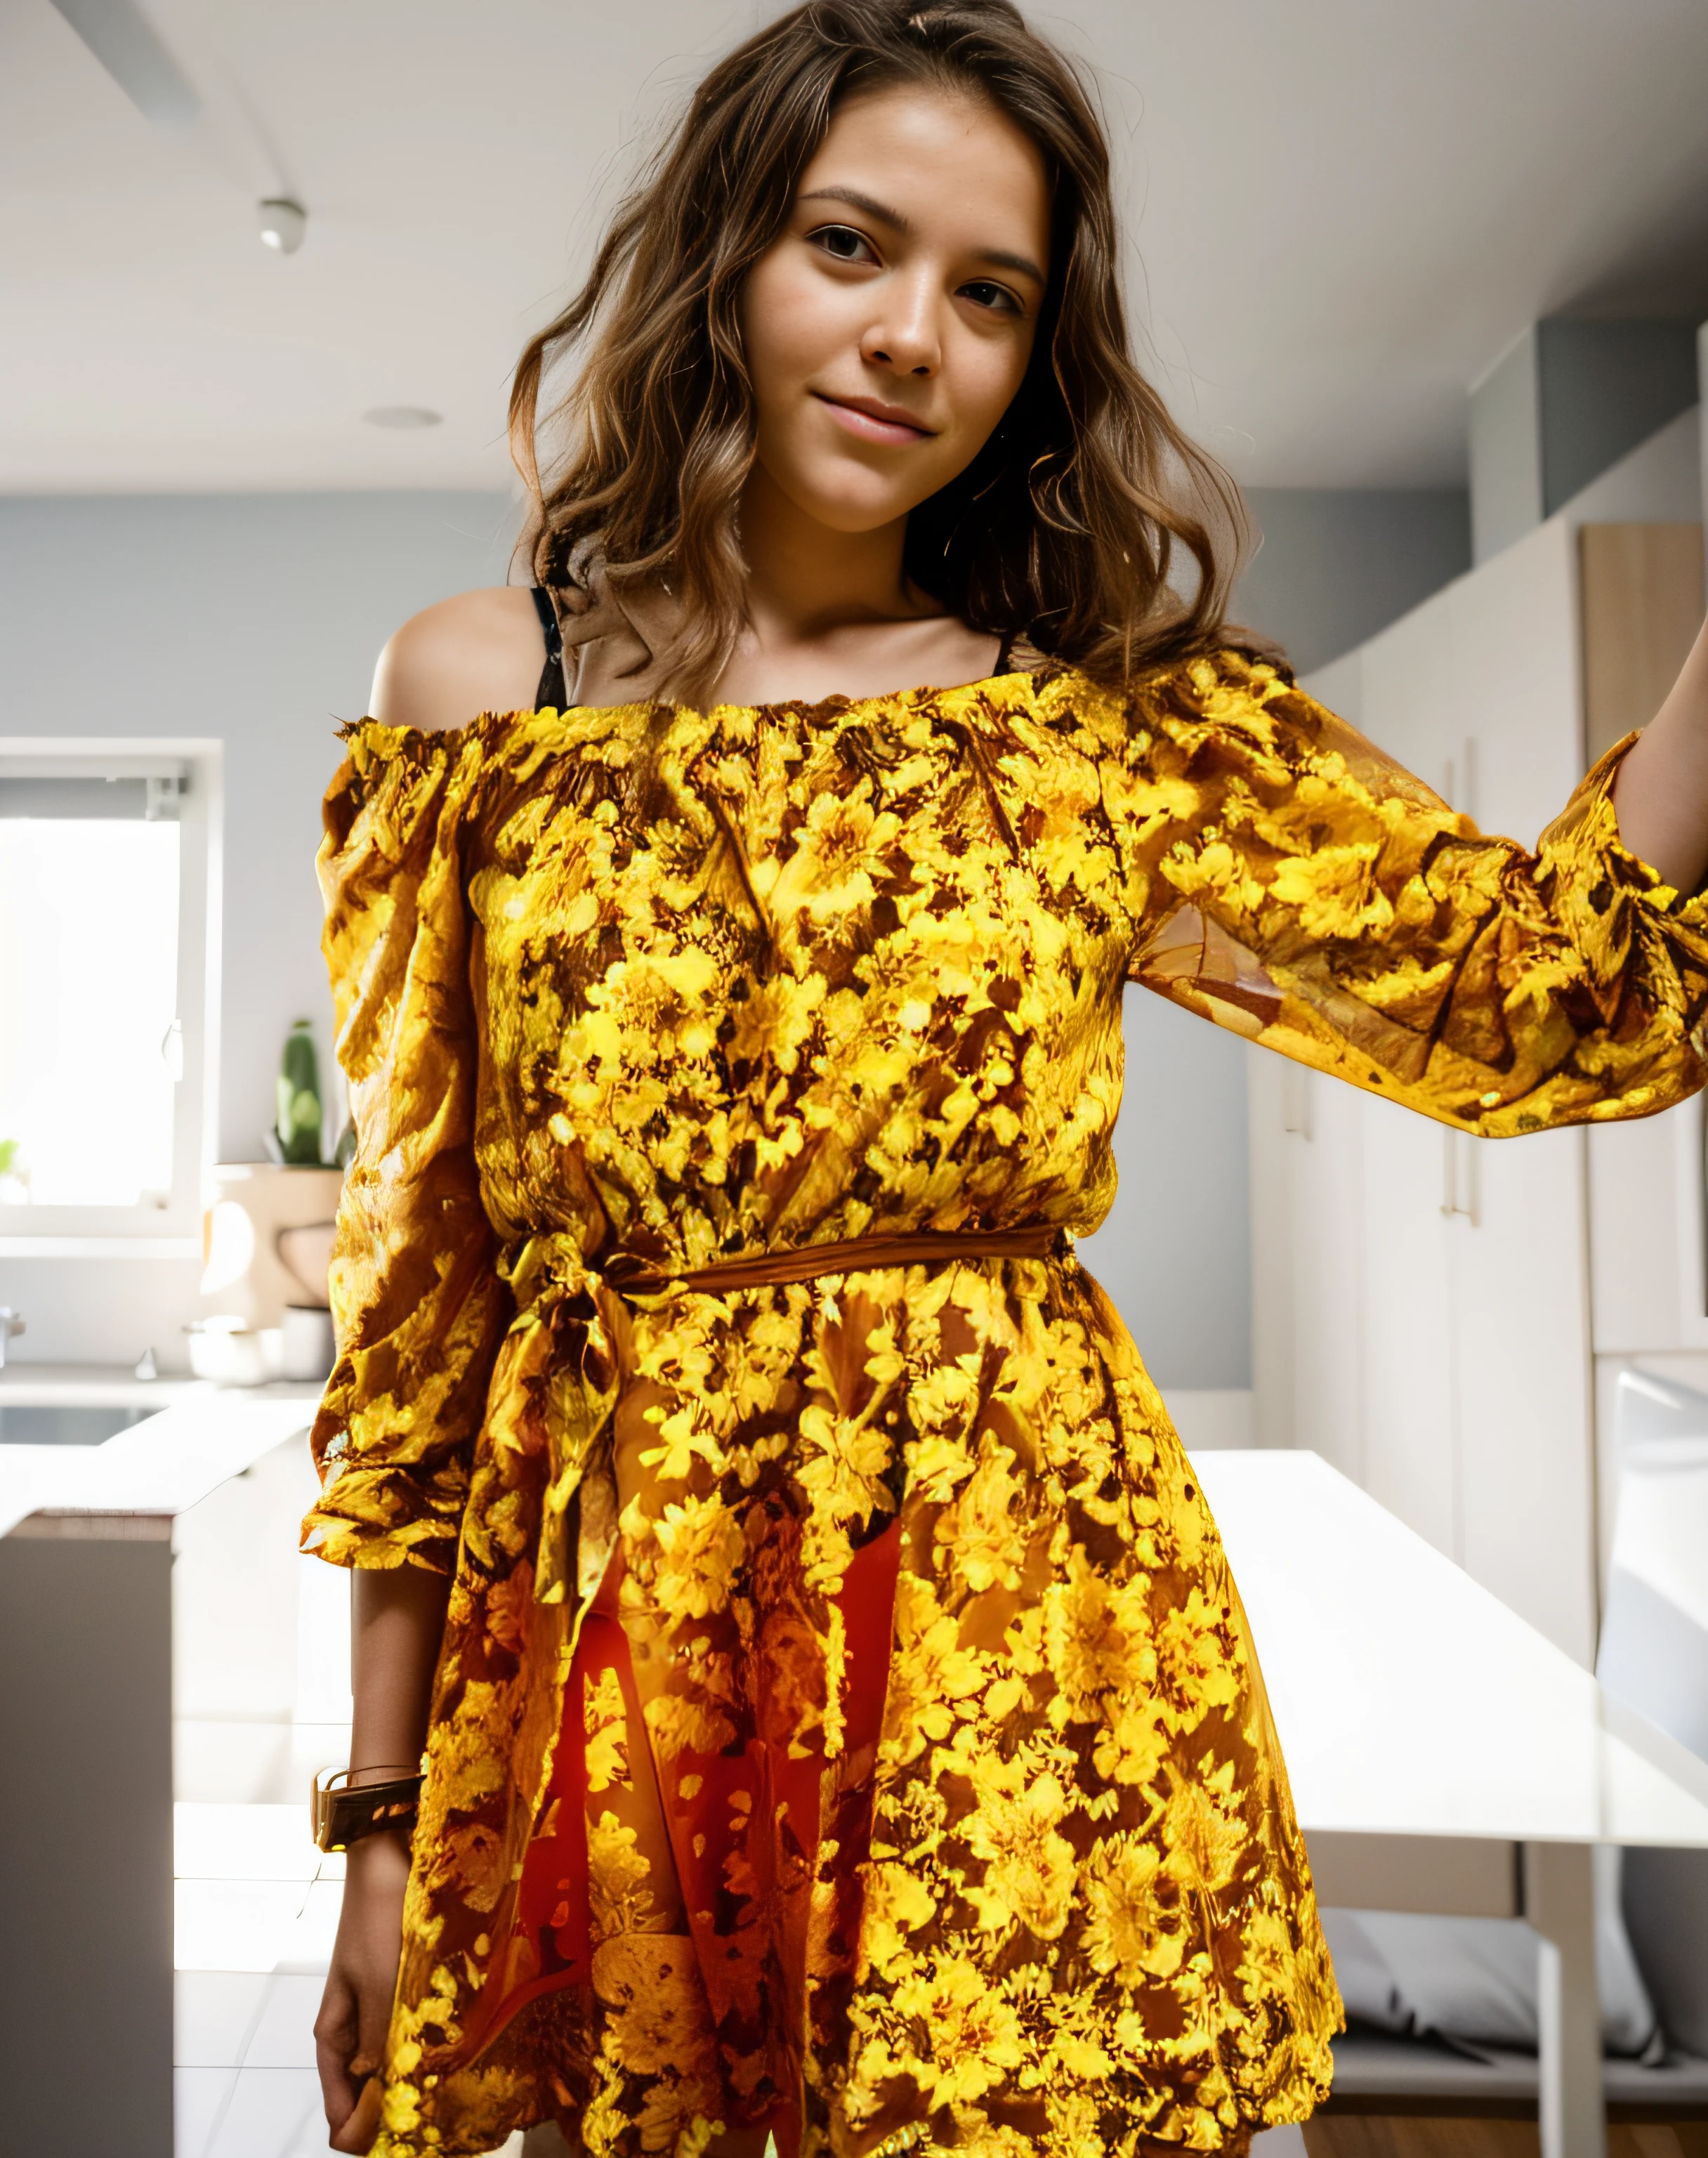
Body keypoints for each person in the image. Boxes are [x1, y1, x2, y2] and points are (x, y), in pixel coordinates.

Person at [304, 4, 1708, 2154]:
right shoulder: (482, 701)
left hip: (1019, 1650)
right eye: (848, 249)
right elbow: (418, 1308)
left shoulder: (1108, 733)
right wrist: (381, 1826)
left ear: (1036, 358)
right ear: (722, 262)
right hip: (627, 1645)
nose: (908, 341)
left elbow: (1536, 995)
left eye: (988, 295)